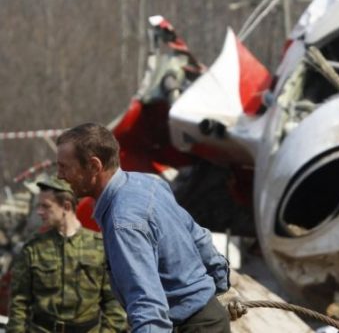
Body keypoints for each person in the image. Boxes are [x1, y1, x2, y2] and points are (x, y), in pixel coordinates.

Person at [55, 123, 233, 332]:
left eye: (64, 167)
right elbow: (199, 238)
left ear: (94, 166)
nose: (59, 175)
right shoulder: (149, 184)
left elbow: (148, 306)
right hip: (210, 319)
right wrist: (220, 288)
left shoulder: (123, 221)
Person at [7, 176, 127, 333]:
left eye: (46, 206)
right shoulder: (33, 248)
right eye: (39, 206)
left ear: (66, 207)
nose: (39, 212)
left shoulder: (100, 247)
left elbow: (114, 302)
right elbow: (19, 302)